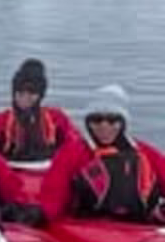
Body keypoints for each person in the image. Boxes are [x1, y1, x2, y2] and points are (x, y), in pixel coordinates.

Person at [38, 85, 165, 225]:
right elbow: (53, 195)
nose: (104, 127)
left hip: (142, 228)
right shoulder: (72, 153)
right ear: (88, 123)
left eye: (112, 120)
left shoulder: (147, 153)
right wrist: (42, 215)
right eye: (97, 120)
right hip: (89, 226)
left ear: (122, 123)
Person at [0, 58, 76, 161]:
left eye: (31, 92)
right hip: (8, 167)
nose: (25, 98)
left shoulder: (56, 119)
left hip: (49, 167)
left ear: (40, 95)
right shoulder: (0, 121)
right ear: (14, 92)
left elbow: (75, 143)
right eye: (20, 92)